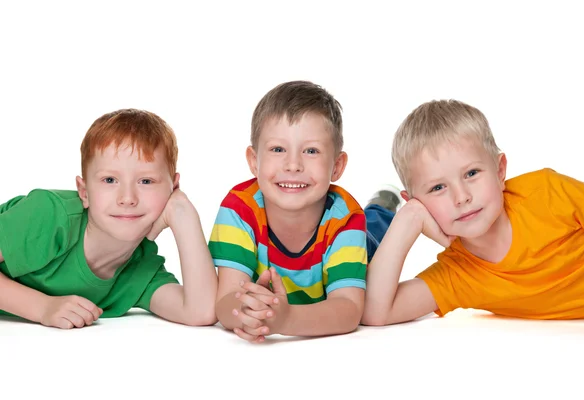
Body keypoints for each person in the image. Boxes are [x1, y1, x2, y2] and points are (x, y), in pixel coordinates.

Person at [361, 99, 584, 326]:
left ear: (499, 171)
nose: (462, 197)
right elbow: (376, 313)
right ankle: (384, 203)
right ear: (416, 202)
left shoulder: (547, 195)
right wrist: (408, 217)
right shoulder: (458, 273)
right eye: (437, 188)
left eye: (472, 173)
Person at [209, 80, 398, 343]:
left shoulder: (346, 220)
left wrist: (286, 320)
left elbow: (349, 309)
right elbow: (225, 300)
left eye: (311, 151)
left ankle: (384, 202)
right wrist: (248, 313)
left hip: (359, 238)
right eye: (278, 149)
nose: (293, 164)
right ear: (254, 161)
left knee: (375, 229)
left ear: (336, 166)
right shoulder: (239, 209)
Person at [0, 109, 218, 329]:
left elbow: (201, 311)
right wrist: (42, 307)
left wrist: (183, 213)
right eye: (110, 179)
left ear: (173, 188)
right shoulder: (50, 215)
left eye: (146, 181)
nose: (127, 198)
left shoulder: (140, 270)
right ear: (84, 193)